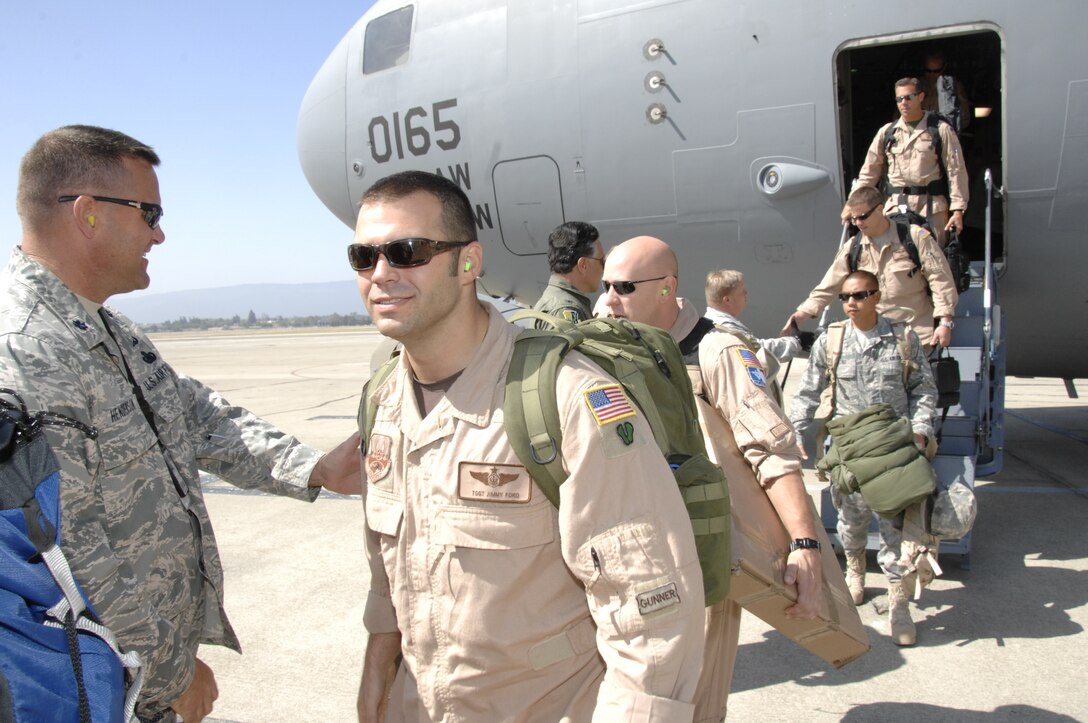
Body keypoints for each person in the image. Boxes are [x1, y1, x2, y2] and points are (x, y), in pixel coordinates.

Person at [0, 125, 362, 722]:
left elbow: (195, 415)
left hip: (136, 673)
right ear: (88, 213)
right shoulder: (29, 350)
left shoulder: (106, 332)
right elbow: (72, 549)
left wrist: (313, 466)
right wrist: (167, 674)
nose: (159, 234)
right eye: (149, 212)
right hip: (105, 681)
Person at [352, 172, 705, 722]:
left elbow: (650, 612)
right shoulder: (383, 403)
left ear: (468, 262)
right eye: (363, 256)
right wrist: (379, 660)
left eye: (406, 251)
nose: (380, 274)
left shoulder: (566, 397)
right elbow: (390, 562)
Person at [599, 235, 823, 721]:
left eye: (624, 287)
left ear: (667, 288)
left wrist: (805, 546)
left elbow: (773, 453)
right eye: (606, 287)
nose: (609, 300)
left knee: (692, 706)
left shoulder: (717, 352)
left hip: (701, 560)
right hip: (625, 557)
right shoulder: (607, 345)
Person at [789, 271, 937, 646]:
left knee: (894, 530)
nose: (851, 303)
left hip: (891, 452)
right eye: (845, 297)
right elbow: (810, 389)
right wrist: (793, 432)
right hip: (850, 452)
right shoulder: (832, 340)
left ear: (877, 296)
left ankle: (898, 602)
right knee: (851, 523)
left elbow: (924, 389)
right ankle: (855, 573)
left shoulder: (902, 339)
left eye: (860, 295)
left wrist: (921, 431)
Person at [782, 186, 959, 350]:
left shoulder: (915, 238)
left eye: (863, 216)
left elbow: (940, 279)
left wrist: (945, 322)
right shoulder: (854, 247)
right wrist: (801, 315)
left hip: (914, 336)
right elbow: (830, 284)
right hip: (873, 339)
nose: (858, 222)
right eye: (853, 218)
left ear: (880, 210)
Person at [853, 76, 969, 246]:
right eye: (899, 99)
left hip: (930, 207)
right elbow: (870, 171)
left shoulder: (940, 130)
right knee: (896, 260)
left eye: (908, 97)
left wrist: (958, 210)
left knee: (933, 259)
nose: (903, 103)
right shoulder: (887, 132)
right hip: (895, 206)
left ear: (921, 97)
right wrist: (853, 205)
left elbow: (956, 170)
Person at [531, 220, 604, 324]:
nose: (603, 269)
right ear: (583, 265)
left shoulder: (558, 302)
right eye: (601, 261)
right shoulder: (565, 310)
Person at [920, 51, 972, 132]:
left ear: (944, 68)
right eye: (928, 71)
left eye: (936, 71)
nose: (931, 75)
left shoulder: (954, 87)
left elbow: (965, 118)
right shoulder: (917, 85)